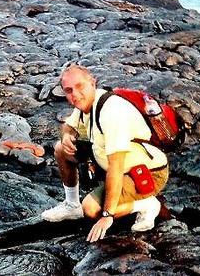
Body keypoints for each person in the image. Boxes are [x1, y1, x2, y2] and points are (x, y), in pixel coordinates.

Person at [41, 65, 169, 243]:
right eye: (68, 90)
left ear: (93, 83)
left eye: (80, 87)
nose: (75, 95)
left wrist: (107, 215)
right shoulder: (86, 103)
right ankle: (71, 204)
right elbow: (68, 126)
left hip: (145, 172)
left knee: (91, 209)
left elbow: (116, 166)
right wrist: (67, 135)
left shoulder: (111, 112)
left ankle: (147, 204)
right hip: (108, 162)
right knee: (61, 149)